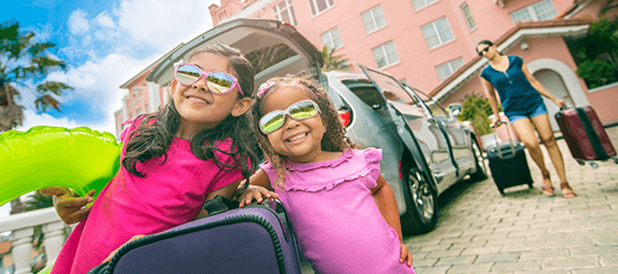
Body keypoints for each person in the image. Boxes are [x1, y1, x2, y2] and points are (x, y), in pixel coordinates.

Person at [40, 43, 259, 274]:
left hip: (144, 264)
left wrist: (150, 249)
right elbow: (100, 185)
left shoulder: (226, 160)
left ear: (239, 105)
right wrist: (68, 201)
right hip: (86, 255)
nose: (200, 84)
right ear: (174, 86)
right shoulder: (139, 130)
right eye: (190, 73)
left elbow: (201, 232)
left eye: (220, 81)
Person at [238, 75, 415, 274]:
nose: (290, 123)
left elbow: (381, 189)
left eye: (302, 110)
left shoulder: (356, 161)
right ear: (266, 138)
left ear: (324, 122)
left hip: (394, 268)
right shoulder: (276, 174)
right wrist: (249, 188)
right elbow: (235, 192)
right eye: (273, 120)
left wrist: (397, 240)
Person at [476, 40, 576, 199]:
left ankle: (564, 183)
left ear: (494, 47)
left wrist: (554, 99)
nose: (484, 53)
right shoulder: (486, 74)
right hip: (514, 110)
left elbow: (532, 81)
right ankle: (545, 174)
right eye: (480, 53)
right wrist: (496, 117)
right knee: (531, 143)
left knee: (549, 139)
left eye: (485, 49)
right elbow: (491, 97)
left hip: (534, 103)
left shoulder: (516, 61)